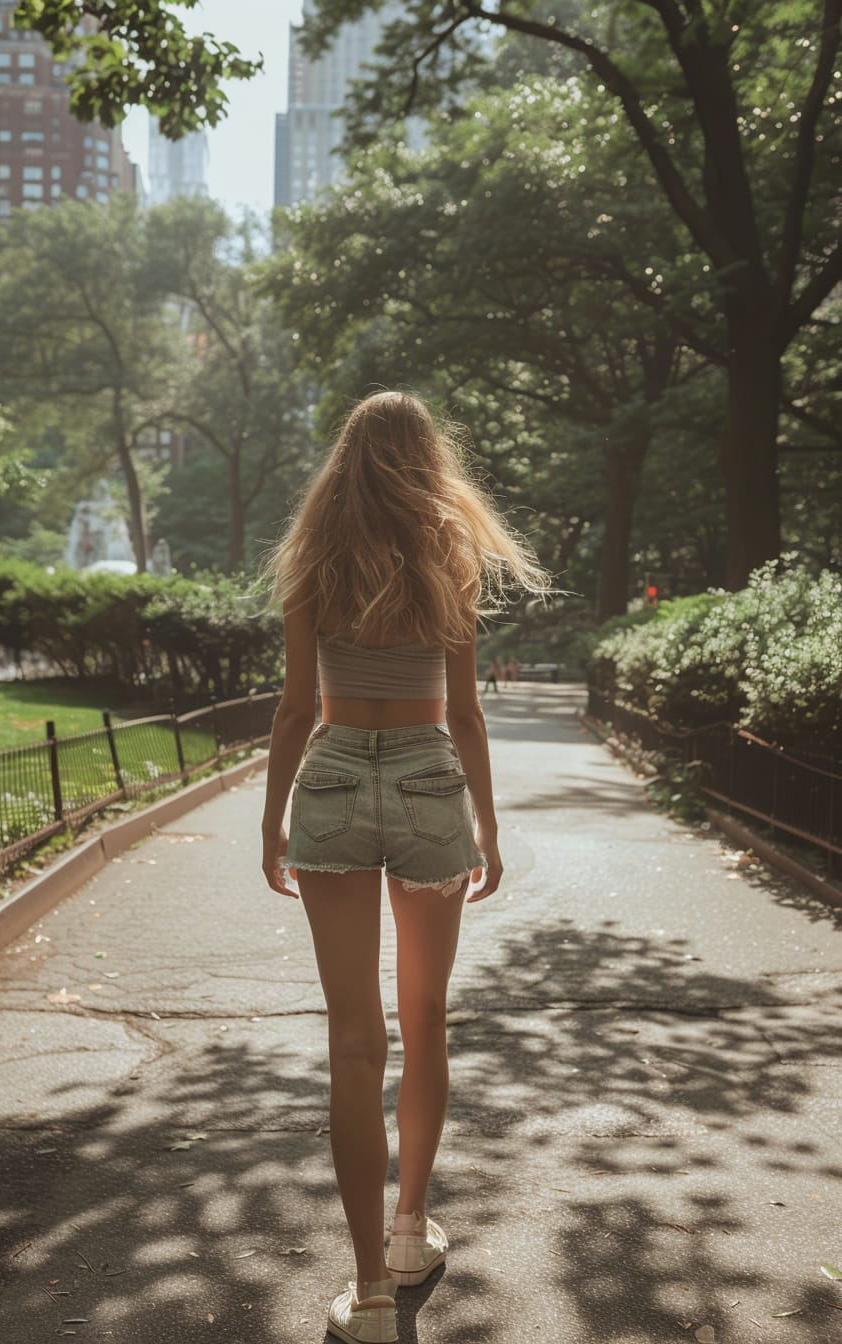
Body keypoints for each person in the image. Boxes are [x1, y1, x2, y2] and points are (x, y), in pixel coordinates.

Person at [257, 390, 550, 1344]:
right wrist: (490, 827)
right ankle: (412, 1231)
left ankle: (372, 1295)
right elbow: (465, 714)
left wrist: (271, 821)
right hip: (430, 776)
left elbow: (296, 709)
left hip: (335, 778)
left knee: (354, 1036)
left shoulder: (314, 561)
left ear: (343, 464)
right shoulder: (447, 557)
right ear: (429, 462)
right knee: (426, 1018)